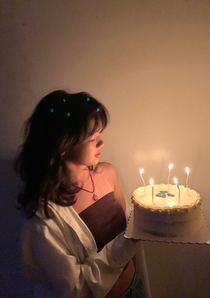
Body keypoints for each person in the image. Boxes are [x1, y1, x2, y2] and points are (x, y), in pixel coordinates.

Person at [15, 90, 142, 298]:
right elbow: (74, 288)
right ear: (63, 144)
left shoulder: (108, 174)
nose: (102, 142)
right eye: (92, 137)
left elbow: (128, 226)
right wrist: (130, 240)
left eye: (101, 133)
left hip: (134, 288)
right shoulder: (42, 221)